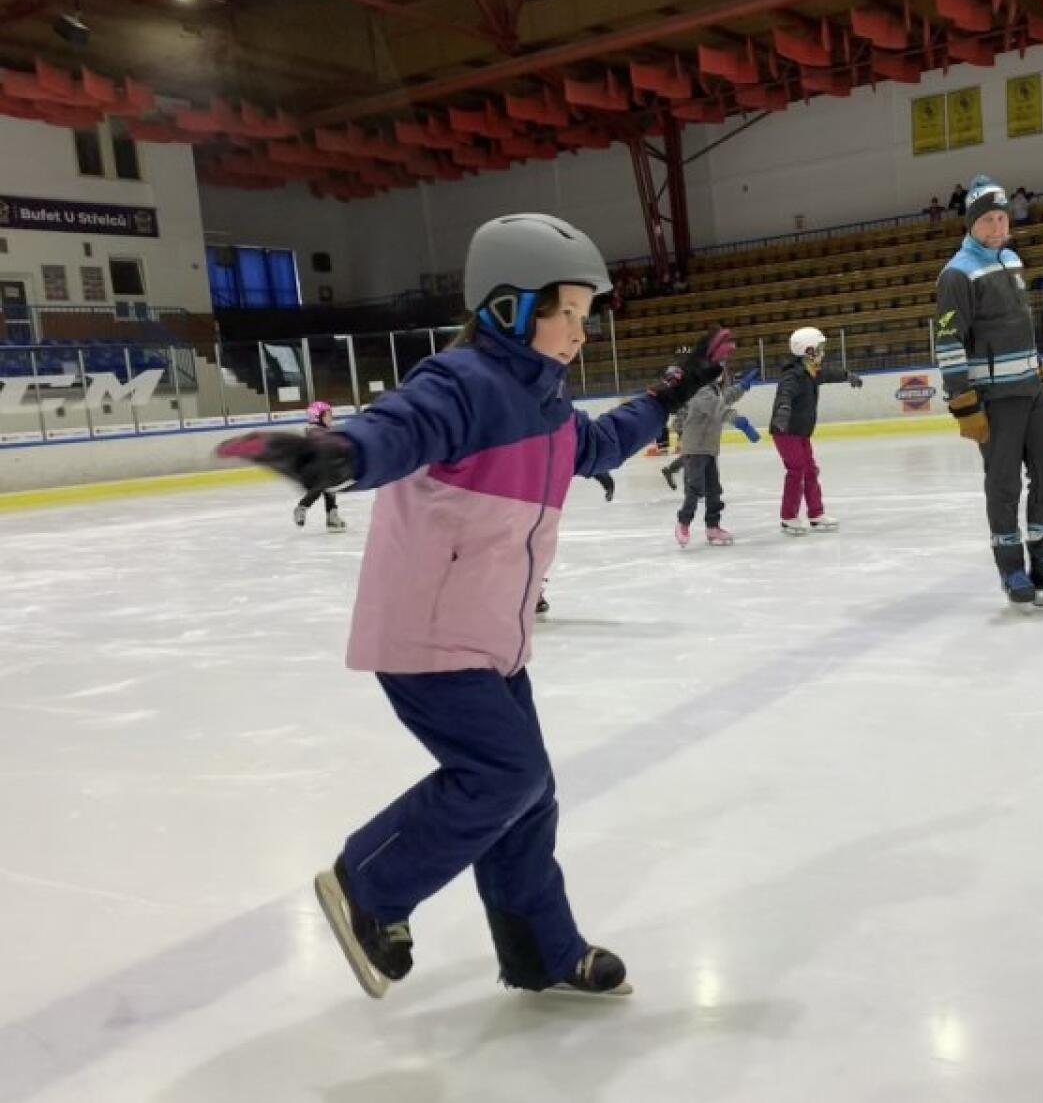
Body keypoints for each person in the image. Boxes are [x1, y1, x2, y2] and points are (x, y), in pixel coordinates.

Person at [215, 213, 726, 1001]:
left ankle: (540, 951)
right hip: (429, 634)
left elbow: (599, 444)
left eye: (586, 315)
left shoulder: (547, 407)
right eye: (566, 311)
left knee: (528, 792)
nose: (580, 331)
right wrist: (342, 454)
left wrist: (671, 391)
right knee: (502, 775)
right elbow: (401, 426)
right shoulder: (462, 383)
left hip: (492, 638)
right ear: (508, 309)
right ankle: (367, 886)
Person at [935, 174, 1043, 607]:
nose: (997, 226)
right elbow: (948, 343)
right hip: (993, 398)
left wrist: (1041, 375)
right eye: (988, 219)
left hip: (1030, 392)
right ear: (971, 223)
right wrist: (964, 404)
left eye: (1002, 218)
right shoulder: (957, 274)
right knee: (1003, 482)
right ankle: (1011, 569)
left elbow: (1021, 329)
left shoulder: (1011, 260)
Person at [769, 327, 861, 535]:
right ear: (808, 351)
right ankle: (788, 517)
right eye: (819, 348)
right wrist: (783, 411)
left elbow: (828, 373)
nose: (822, 352)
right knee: (797, 470)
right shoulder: (792, 375)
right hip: (785, 431)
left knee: (810, 470)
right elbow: (785, 393)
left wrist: (847, 375)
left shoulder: (812, 371)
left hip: (801, 431)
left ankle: (816, 514)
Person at [674, 361, 759, 547]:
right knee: (695, 488)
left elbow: (725, 398)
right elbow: (719, 408)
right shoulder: (701, 391)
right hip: (695, 449)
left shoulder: (712, 389)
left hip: (709, 449)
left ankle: (712, 527)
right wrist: (739, 421)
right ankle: (683, 523)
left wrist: (743, 386)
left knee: (714, 490)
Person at [294, 401, 346, 532]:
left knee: (330, 487)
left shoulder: (320, 431)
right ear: (318, 417)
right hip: (311, 471)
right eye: (328, 415)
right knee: (325, 484)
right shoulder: (315, 432)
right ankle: (303, 507)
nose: (331, 418)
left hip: (318, 469)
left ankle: (331, 517)